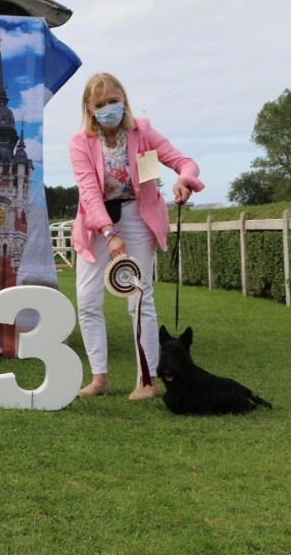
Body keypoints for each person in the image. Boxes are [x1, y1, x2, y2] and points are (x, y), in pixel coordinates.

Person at [69, 72, 204, 400]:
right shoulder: (79, 143)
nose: (108, 107)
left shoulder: (142, 132)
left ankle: (148, 380)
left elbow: (184, 161)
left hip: (138, 217)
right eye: (100, 103)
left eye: (114, 100)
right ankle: (99, 377)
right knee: (87, 301)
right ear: (89, 108)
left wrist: (184, 180)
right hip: (97, 223)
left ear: (124, 100)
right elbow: (88, 192)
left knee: (140, 298)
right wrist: (110, 234)